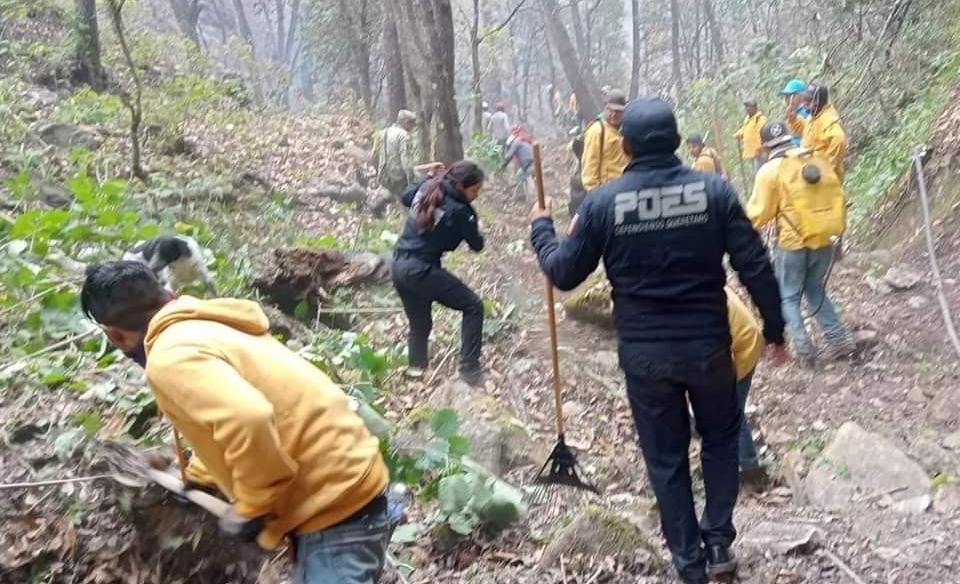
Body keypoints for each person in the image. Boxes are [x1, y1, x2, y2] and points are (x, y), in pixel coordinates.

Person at [529, 97, 787, 584]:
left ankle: (689, 564)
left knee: (666, 459)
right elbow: (754, 264)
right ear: (675, 140)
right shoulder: (714, 192)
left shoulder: (602, 204)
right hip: (709, 349)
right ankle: (718, 544)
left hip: (646, 359)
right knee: (719, 442)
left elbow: (563, 272)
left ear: (623, 145)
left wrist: (541, 230)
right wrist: (774, 330)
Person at [80, 262, 392, 583]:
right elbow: (226, 419)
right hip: (350, 477)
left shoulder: (169, 356)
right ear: (171, 295)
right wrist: (202, 475)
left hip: (334, 508)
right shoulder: (211, 325)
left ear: (115, 335)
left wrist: (252, 505)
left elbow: (250, 418)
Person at [747, 121, 855, 367]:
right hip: (825, 238)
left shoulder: (770, 170)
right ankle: (839, 340)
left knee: (788, 296)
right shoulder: (815, 158)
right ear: (788, 137)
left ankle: (805, 352)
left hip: (793, 244)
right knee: (815, 288)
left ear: (764, 148)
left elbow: (758, 214)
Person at [393, 161, 486, 386]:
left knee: (420, 324)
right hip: (420, 269)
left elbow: (406, 197)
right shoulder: (461, 211)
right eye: (475, 190)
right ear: (462, 185)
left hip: (398, 266)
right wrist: (478, 227)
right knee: (474, 306)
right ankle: (469, 370)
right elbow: (477, 245)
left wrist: (426, 177)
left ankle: (416, 370)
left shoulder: (429, 187)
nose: (476, 196)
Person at [724, 287, 770, 490]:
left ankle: (750, 469)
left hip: (742, 349)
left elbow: (721, 359)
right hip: (744, 340)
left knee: (732, 411)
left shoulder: (698, 306)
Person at [787, 83, 847, 180]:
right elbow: (805, 130)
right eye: (805, 99)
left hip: (825, 179)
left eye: (808, 100)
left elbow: (839, 139)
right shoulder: (815, 116)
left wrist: (825, 168)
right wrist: (792, 117)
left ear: (817, 101)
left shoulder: (827, 119)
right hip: (813, 173)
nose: (805, 103)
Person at [580, 88, 630, 193]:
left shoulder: (627, 129)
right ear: (605, 107)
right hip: (606, 192)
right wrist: (596, 197)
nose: (614, 114)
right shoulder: (597, 131)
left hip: (626, 190)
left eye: (618, 112)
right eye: (610, 110)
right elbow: (589, 172)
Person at [375, 109, 417, 200]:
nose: (413, 127)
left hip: (383, 174)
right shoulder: (403, 136)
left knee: (395, 196)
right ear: (406, 122)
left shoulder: (383, 132)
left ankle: (376, 205)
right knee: (408, 203)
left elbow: (376, 154)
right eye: (412, 124)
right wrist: (412, 183)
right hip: (398, 177)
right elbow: (407, 163)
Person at [502, 124, 534, 201]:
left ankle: (526, 197)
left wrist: (503, 165)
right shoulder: (523, 139)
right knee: (524, 177)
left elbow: (509, 156)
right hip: (532, 160)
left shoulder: (516, 143)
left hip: (526, 162)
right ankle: (527, 197)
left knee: (521, 177)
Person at [734, 100, 768, 172]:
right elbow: (745, 129)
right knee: (756, 172)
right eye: (746, 106)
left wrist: (761, 148)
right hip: (751, 152)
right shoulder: (747, 119)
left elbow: (763, 133)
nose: (748, 109)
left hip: (759, 152)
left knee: (759, 172)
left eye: (750, 106)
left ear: (755, 108)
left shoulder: (760, 119)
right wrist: (738, 134)